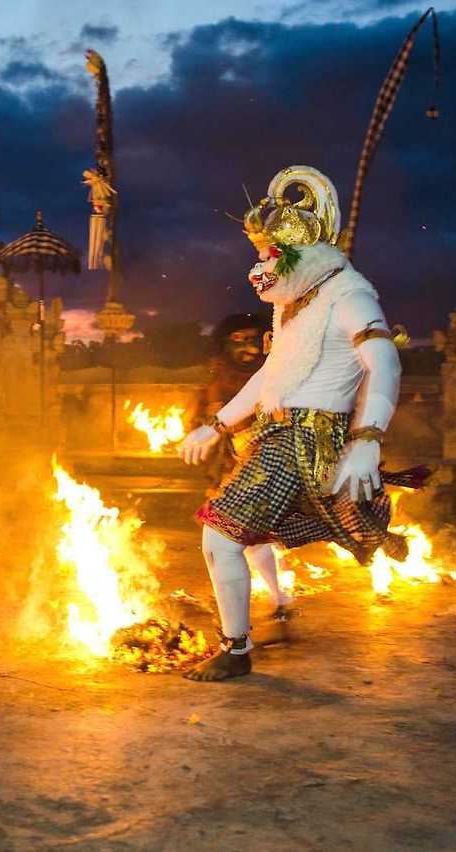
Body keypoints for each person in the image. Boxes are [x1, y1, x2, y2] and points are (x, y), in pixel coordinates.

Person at [178, 166, 412, 682]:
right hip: (275, 436)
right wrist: (215, 426)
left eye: (266, 254)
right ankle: (256, 626)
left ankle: (236, 651)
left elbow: (385, 363)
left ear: (296, 253)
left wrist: (369, 440)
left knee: (220, 537)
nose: (258, 265)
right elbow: (269, 374)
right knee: (243, 537)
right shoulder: (294, 304)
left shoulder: (349, 295)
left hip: (307, 442)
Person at [191, 312, 290, 619]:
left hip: (269, 464)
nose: (247, 347)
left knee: (239, 534)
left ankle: (275, 600)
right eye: (238, 340)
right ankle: (279, 598)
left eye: (252, 340)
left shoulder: (276, 374)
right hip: (236, 467)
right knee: (241, 536)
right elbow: (212, 418)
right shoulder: (218, 381)